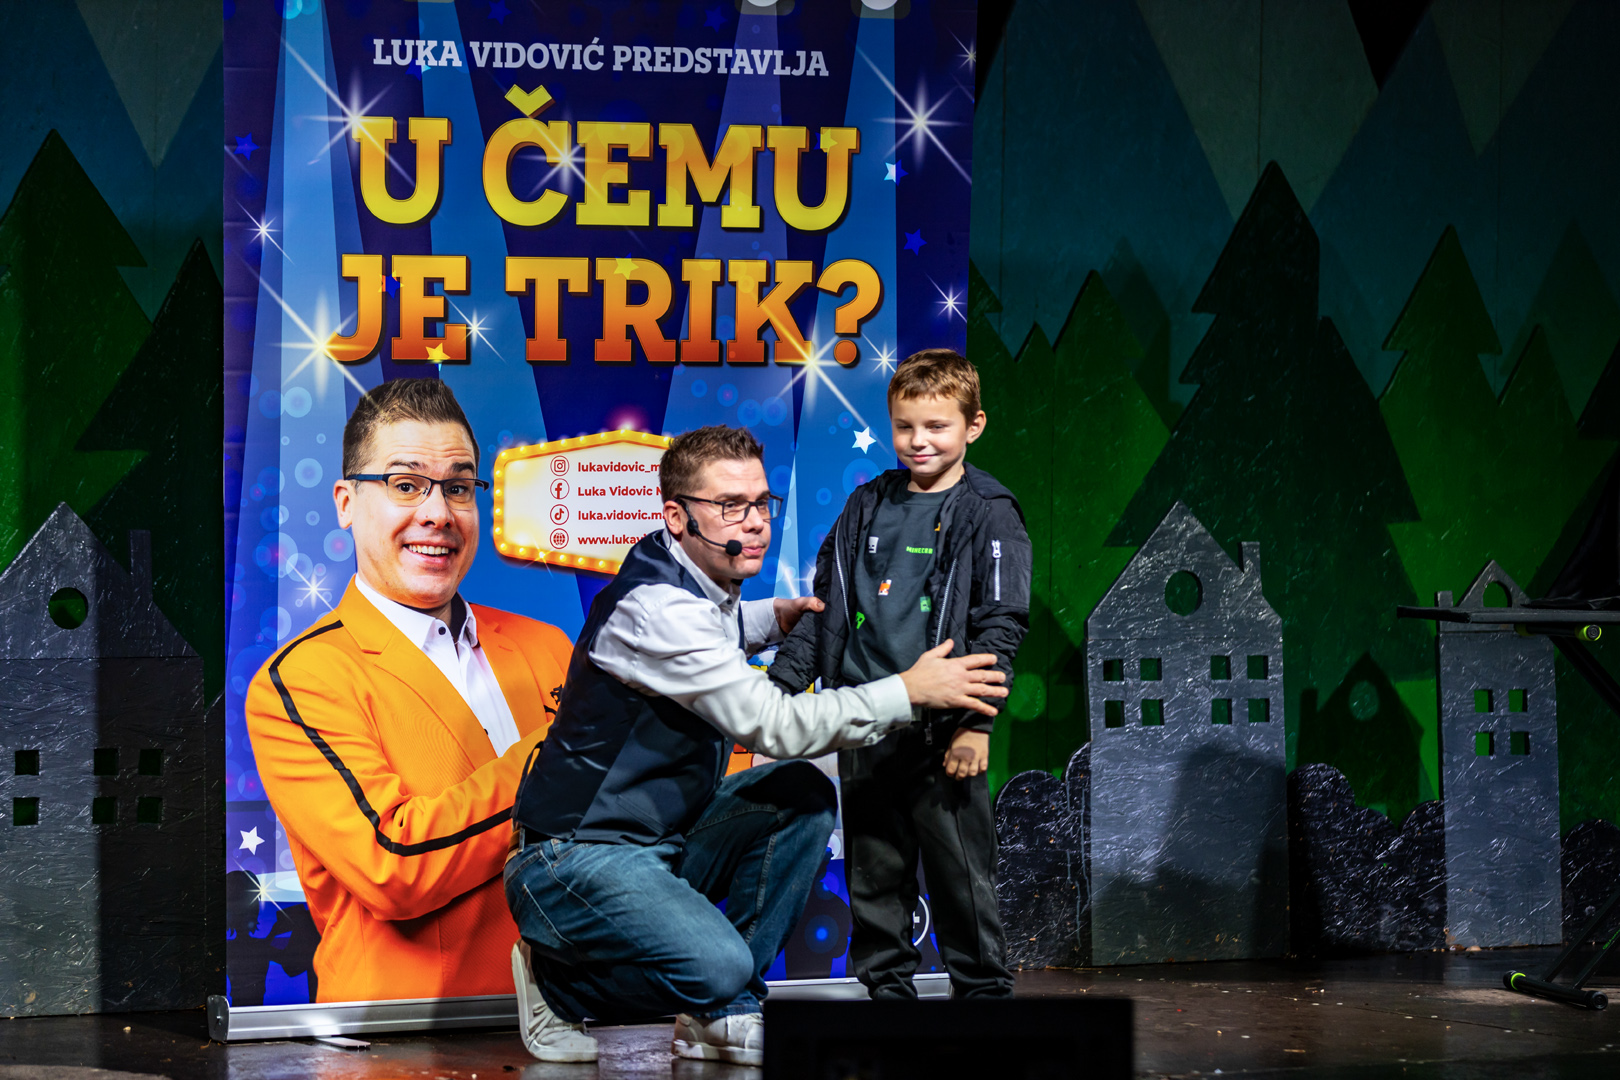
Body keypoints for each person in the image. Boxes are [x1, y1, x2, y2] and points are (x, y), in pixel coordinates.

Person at [504, 425, 1009, 1066]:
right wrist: (907, 691)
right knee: (719, 965)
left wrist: (774, 617)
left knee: (800, 796)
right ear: (677, 517)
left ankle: (720, 1010)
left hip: (660, 841)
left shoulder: (688, 578)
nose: (756, 522)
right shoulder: (657, 609)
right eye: (730, 506)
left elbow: (716, 627)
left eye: (761, 503)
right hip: (572, 857)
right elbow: (775, 726)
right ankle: (559, 982)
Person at [244, 379, 574, 1003]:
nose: (438, 513)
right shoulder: (303, 679)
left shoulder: (547, 646)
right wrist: (564, 757)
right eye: (405, 484)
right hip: (403, 1036)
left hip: (577, 1022)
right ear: (346, 502)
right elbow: (394, 865)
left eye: (458, 487)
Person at [768, 348, 1032, 1002]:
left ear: (973, 426)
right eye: (905, 426)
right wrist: (773, 694)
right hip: (864, 724)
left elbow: (1000, 626)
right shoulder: (865, 505)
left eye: (937, 426)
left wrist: (975, 725)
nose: (919, 440)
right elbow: (824, 612)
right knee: (874, 879)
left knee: (961, 880)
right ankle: (888, 1002)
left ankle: (986, 1004)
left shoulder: (990, 511)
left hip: (942, 737)